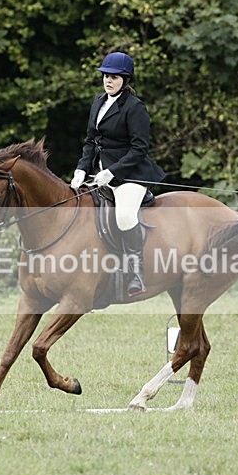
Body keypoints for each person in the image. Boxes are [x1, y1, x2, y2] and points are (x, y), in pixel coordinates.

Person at [70, 52, 166, 297]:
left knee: (124, 216)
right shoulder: (98, 101)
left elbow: (139, 148)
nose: (108, 80)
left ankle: (136, 274)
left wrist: (113, 171)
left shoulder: (134, 107)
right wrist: (82, 168)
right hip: (100, 172)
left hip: (130, 174)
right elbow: (91, 141)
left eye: (113, 77)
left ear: (125, 79)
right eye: (105, 76)